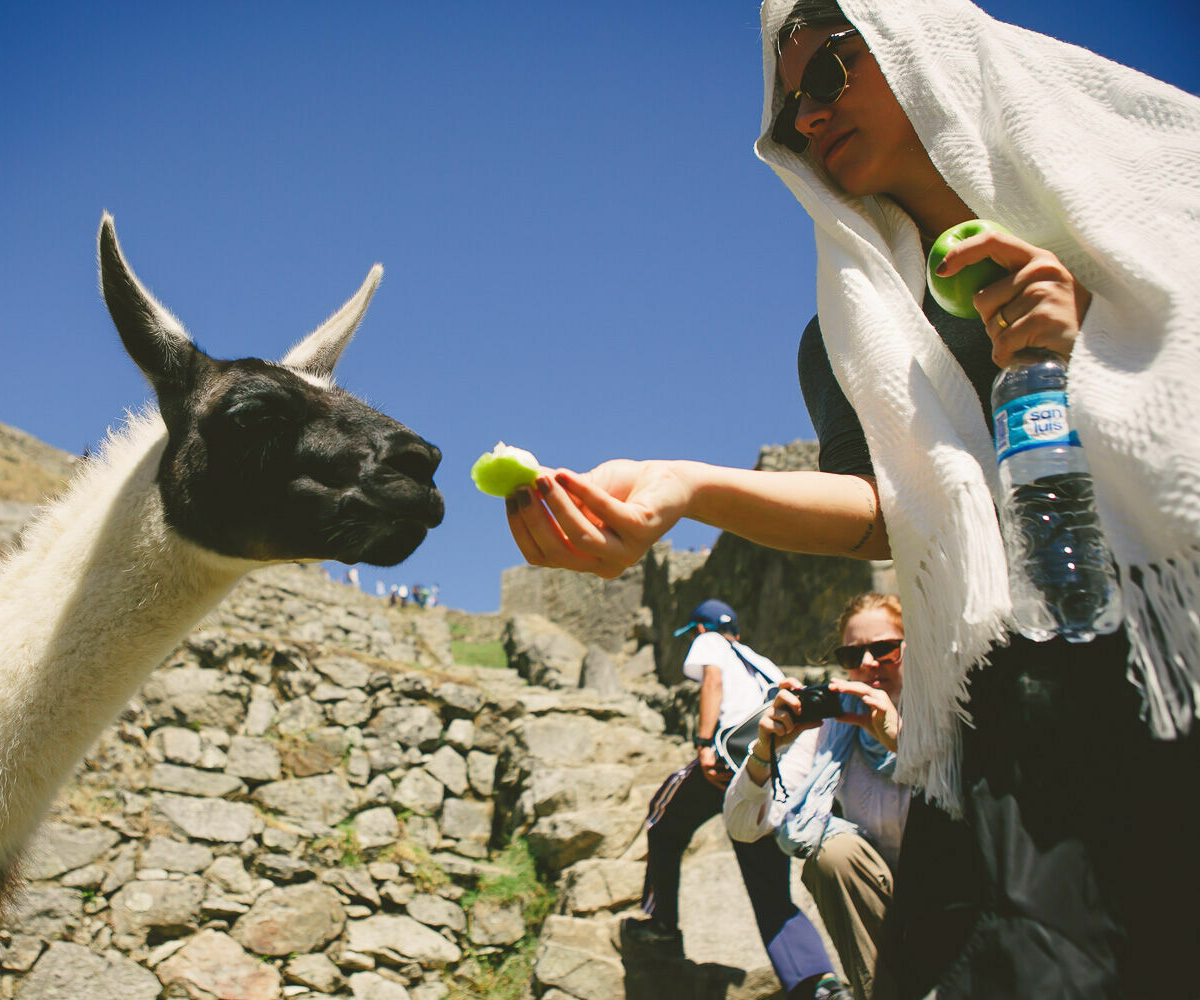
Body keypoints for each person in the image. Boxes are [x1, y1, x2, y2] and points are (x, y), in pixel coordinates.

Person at [503, 2, 1199, 994]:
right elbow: (888, 502)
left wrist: (1101, 340)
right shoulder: (844, 339)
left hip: (1172, 661)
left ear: (920, 42)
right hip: (1007, 709)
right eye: (789, 116)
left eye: (825, 77)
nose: (812, 119)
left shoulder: (1136, 185)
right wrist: (687, 488)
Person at [627, 599, 849, 1000]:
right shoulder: (760, 660)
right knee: (769, 888)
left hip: (730, 758)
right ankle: (817, 983)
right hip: (771, 765)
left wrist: (703, 742)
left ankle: (660, 923)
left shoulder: (710, 641)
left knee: (663, 816)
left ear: (700, 629)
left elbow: (711, 681)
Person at [725, 592, 909, 1000]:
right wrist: (765, 749)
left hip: (956, 891)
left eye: (884, 650)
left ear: (912, 648)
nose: (867, 664)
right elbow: (741, 825)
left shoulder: (947, 710)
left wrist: (903, 744)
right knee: (832, 855)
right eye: (851, 655)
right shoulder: (835, 727)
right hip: (881, 903)